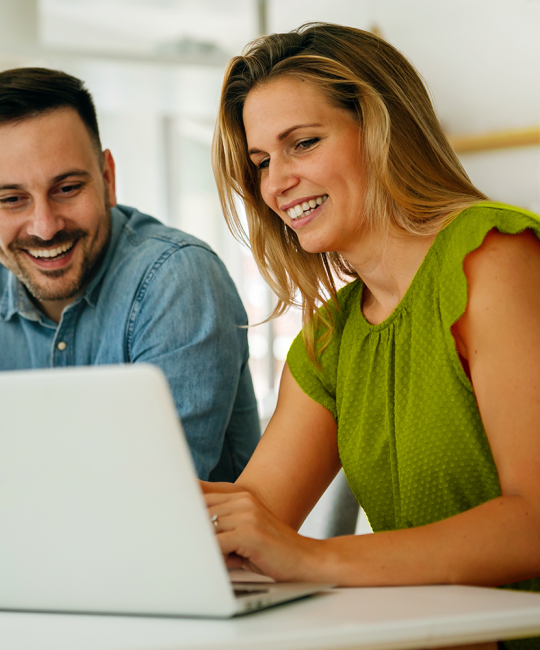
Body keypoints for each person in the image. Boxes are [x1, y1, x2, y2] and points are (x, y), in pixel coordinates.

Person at [205, 22, 540, 649]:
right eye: (261, 162)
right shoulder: (331, 337)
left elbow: (535, 523)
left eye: (302, 144)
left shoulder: (494, 258)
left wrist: (317, 559)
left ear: (383, 130)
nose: (276, 183)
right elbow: (253, 521)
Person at [0, 67, 260, 482]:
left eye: (66, 188)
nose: (45, 227)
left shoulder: (177, 280)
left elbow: (150, 500)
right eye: (12, 199)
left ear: (107, 179)